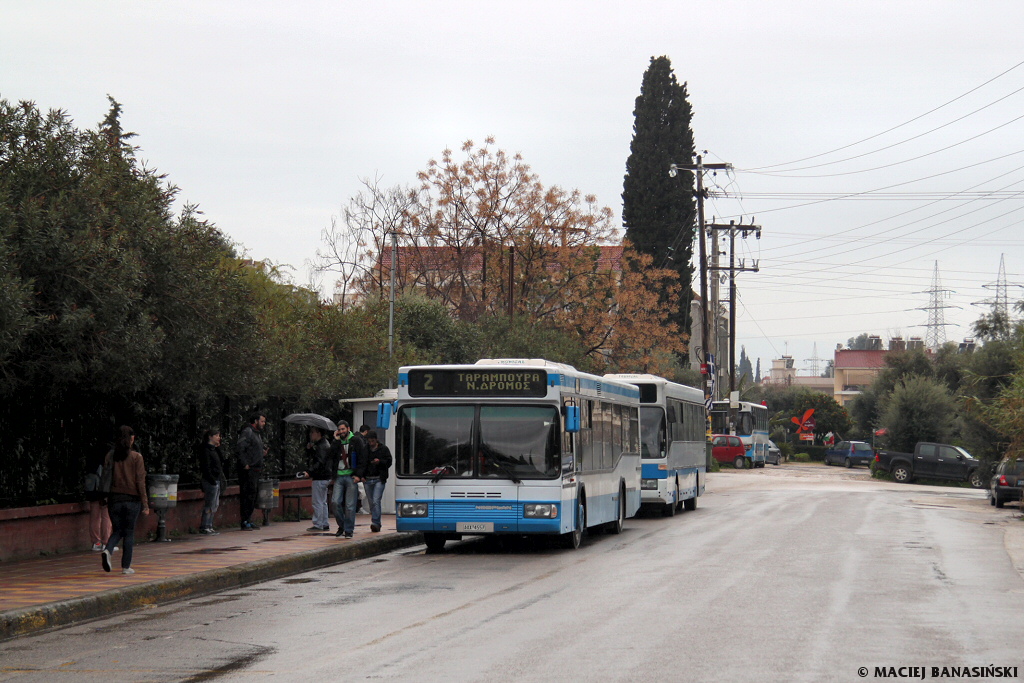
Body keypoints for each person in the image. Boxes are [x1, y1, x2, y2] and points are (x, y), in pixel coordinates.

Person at [101, 425, 149, 575]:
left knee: (117, 530)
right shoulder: (136, 457)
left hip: (114, 499)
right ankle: (126, 566)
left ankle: (108, 550)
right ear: (132, 439)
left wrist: (103, 496)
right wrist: (145, 504)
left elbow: (105, 477)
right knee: (128, 532)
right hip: (132, 499)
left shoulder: (110, 455)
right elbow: (140, 481)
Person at [330, 420, 366, 539]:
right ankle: (342, 525)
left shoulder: (356, 441)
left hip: (351, 476)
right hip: (339, 476)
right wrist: (335, 440)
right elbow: (330, 456)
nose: (341, 432)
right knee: (335, 502)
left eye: (343, 429)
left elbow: (362, 459)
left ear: (348, 429)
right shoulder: (337, 442)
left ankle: (349, 530)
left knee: (350, 505)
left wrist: (358, 475)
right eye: (339, 430)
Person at [236, 413, 267, 531]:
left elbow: (252, 449)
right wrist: (245, 464)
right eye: (262, 421)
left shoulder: (256, 434)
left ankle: (249, 519)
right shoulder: (248, 432)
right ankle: (244, 521)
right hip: (249, 470)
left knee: (252, 495)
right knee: (247, 494)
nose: (264, 424)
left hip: (256, 469)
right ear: (256, 421)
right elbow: (240, 448)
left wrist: (261, 453)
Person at [302, 426, 334, 532]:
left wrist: (309, 472)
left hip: (320, 476)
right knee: (323, 501)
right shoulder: (324, 444)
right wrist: (310, 450)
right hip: (326, 476)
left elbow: (319, 462)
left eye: (312, 432)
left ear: (319, 433)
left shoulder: (321, 446)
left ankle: (318, 523)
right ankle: (324, 523)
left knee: (317, 501)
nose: (311, 434)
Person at [360, 430, 392, 533]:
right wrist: (362, 475)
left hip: (379, 478)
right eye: (369, 441)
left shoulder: (384, 449)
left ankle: (376, 522)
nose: (371, 443)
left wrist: (380, 462)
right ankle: (375, 521)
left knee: (375, 500)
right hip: (368, 478)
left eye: (372, 441)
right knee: (371, 502)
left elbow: (389, 462)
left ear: (376, 440)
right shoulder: (365, 450)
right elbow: (362, 463)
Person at [197, 428, 224, 535]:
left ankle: (210, 524)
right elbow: (206, 466)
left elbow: (222, 460)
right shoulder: (205, 450)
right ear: (210, 437)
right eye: (217, 436)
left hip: (216, 479)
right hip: (210, 481)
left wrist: (218, 448)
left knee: (215, 504)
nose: (219, 438)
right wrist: (212, 479)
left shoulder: (214, 450)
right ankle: (205, 525)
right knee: (210, 503)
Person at [84, 446, 111, 551]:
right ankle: (106, 542)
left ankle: (96, 542)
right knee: (106, 515)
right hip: (104, 487)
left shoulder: (91, 450)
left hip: (92, 487)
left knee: (94, 515)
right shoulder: (110, 451)